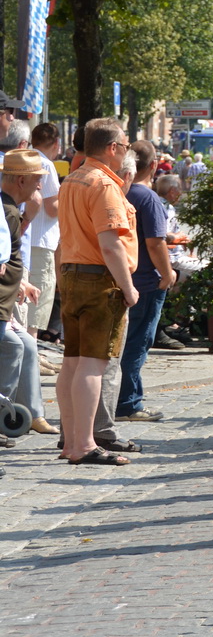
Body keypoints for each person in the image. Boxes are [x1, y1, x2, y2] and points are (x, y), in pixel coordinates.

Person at [56, 118, 139, 466]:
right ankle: (84, 444)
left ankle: (71, 440)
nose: (125, 151)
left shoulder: (72, 180)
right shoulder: (104, 185)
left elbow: (64, 239)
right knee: (93, 364)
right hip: (99, 280)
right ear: (111, 148)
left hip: (73, 275)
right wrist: (128, 287)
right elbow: (111, 245)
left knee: (72, 363)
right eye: (124, 146)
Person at [115, 141, 174, 423]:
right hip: (147, 281)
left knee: (125, 342)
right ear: (153, 166)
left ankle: (123, 398)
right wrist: (168, 273)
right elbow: (155, 243)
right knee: (138, 342)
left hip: (124, 277)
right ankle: (129, 403)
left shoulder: (121, 192)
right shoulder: (148, 197)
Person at [0, 148, 49, 437]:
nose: (40, 185)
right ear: (20, 181)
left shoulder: (10, 209)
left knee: (28, 347)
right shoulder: (6, 211)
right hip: (2, 305)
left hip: (7, 301)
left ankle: (31, 414)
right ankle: (4, 412)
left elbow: (9, 256)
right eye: (36, 179)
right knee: (14, 347)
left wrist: (21, 283)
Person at [22, 124, 61, 348]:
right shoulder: (45, 164)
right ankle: (30, 359)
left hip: (26, 239)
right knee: (35, 308)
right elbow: (53, 208)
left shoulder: (23, 158)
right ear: (56, 143)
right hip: (42, 241)